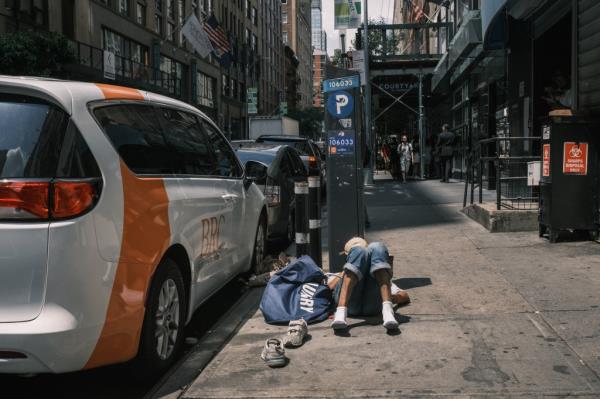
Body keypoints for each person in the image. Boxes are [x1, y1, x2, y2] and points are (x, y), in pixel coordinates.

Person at [327, 238, 409, 331]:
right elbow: (329, 287)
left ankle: (387, 311)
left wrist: (389, 298)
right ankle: (341, 312)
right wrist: (349, 270)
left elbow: (405, 296)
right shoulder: (342, 274)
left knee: (377, 246)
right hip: (350, 305)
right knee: (359, 250)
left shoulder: (379, 275)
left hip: (372, 307)